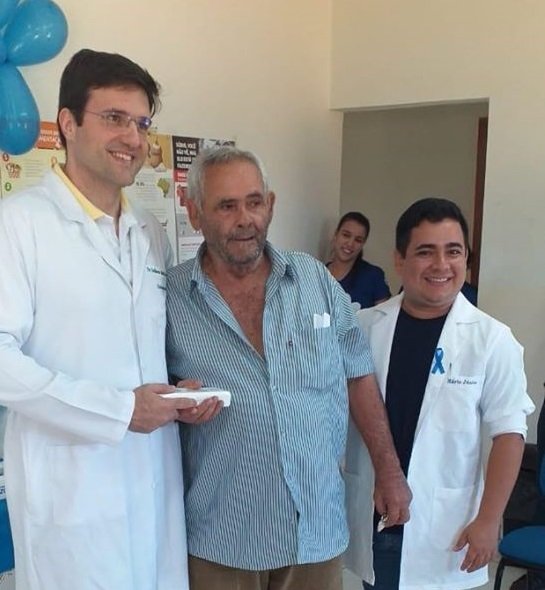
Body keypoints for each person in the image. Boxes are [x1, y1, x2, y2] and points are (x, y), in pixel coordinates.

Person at [0, 49, 211, 590]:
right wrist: (118, 410)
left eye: (142, 123)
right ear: (68, 124)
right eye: (114, 118)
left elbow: (147, 350)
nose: (133, 138)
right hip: (71, 493)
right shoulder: (19, 224)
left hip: (153, 482)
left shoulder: (149, 233)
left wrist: (178, 394)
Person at [166, 146, 411, 590]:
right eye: (226, 206)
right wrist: (174, 397)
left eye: (254, 202)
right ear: (195, 212)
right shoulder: (171, 298)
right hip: (223, 538)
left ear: (271, 205)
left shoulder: (315, 280)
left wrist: (389, 471)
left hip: (315, 531)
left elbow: (359, 375)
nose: (245, 219)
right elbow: (149, 391)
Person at [344, 197, 535, 590]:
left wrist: (488, 520)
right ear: (399, 259)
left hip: (447, 526)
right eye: (425, 252)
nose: (441, 265)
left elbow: (509, 435)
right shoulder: (363, 327)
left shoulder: (492, 339)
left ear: (466, 259)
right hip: (375, 516)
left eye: (453, 251)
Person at [327, 211, 391, 309]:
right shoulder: (318, 275)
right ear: (336, 234)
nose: (350, 244)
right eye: (346, 235)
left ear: (363, 244)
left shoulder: (373, 276)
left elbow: (386, 316)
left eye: (358, 240)